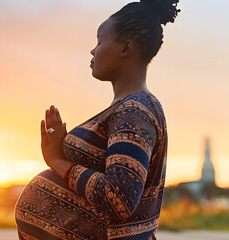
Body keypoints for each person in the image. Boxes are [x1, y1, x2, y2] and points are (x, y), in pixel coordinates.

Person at [15, 0, 180, 239]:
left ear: (125, 48)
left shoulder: (134, 112)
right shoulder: (128, 108)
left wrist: (57, 161)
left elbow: (119, 199)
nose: (93, 51)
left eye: (100, 41)